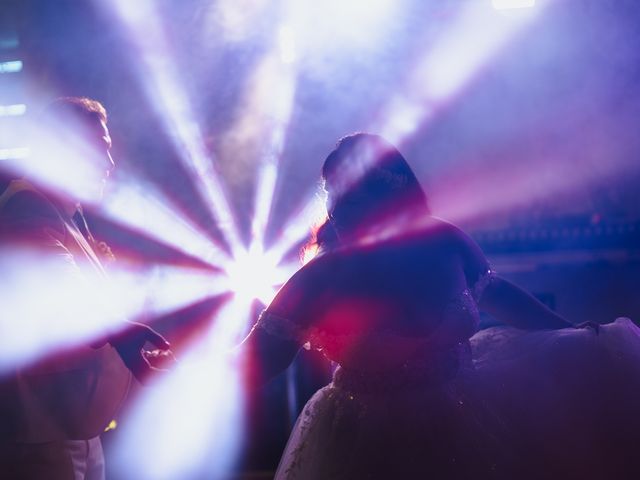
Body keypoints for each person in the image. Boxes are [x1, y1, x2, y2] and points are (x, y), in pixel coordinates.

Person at [240, 133, 640, 479]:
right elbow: (263, 358)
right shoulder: (318, 278)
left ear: (386, 194)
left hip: (467, 421)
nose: (333, 209)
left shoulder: (446, 242)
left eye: (347, 195)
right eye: (331, 194)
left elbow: (501, 297)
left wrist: (571, 330)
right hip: (361, 443)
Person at [0, 97, 172, 479]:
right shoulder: (28, 209)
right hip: (40, 432)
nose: (109, 165)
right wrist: (127, 337)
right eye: (99, 149)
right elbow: (67, 300)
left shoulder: (64, 215)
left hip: (71, 426)